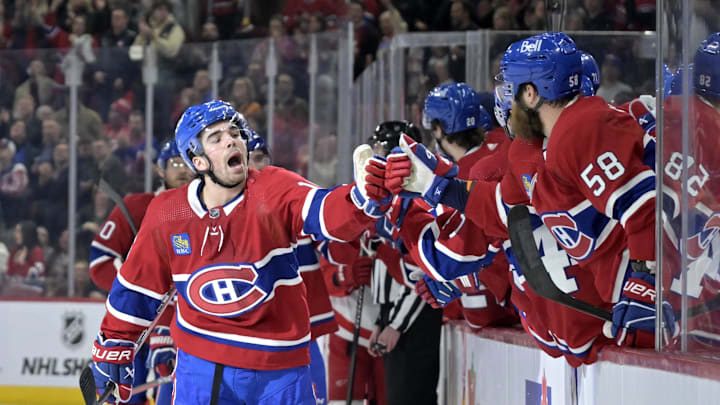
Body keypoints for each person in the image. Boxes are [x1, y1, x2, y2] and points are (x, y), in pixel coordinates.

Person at [90, 100, 386, 404]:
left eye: (235, 132)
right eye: (216, 138)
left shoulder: (275, 188)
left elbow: (325, 211)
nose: (231, 139)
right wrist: (114, 342)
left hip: (281, 367)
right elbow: (138, 286)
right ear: (199, 160)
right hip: (202, 364)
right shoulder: (168, 212)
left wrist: (360, 198)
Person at [89, 139, 193, 405]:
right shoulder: (137, 207)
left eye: (187, 163)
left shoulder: (209, 213)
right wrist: (139, 293)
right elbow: (100, 262)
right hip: (136, 324)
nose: (182, 170)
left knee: (172, 390)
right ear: (160, 170)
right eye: (175, 163)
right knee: (127, 395)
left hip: (185, 326)